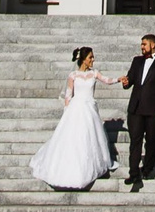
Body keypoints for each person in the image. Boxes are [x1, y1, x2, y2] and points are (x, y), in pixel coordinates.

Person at [28, 46, 116, 191]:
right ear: (83, 59)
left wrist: (119, 79)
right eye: (90, 57)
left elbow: (107, 80)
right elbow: (68, 94)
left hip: (89, 109)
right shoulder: (73, 75)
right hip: (76, 109)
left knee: (88, 137)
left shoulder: (94, 73)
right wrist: (67, 111)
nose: (93, 59)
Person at [116, 32, 155, 191]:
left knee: (151, 140)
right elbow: (130, 81)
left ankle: (148, 168)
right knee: (135, 141)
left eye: (144, 44)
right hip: (135, 108)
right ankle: (134, 172)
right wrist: (126, 82)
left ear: (152, 45)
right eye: (141, 44)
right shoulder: (137, 61)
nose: (141, 47)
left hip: (153, 110)